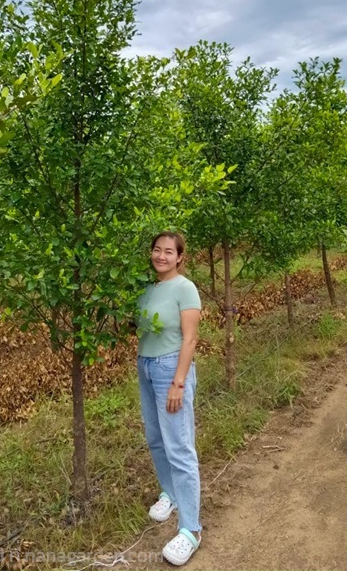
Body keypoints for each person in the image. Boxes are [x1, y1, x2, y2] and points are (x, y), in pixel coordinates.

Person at [136, 231, 202, 567]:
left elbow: (189, 339)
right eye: (157, 250)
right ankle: (170, 494)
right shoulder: (147, 288)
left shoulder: (184, 288)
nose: (161, 255)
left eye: (168, 251)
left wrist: (178, 383)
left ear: (179, 257)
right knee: (156, 438)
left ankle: (191, 529)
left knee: (179, 446)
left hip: (169, 369)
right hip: (146, 366)